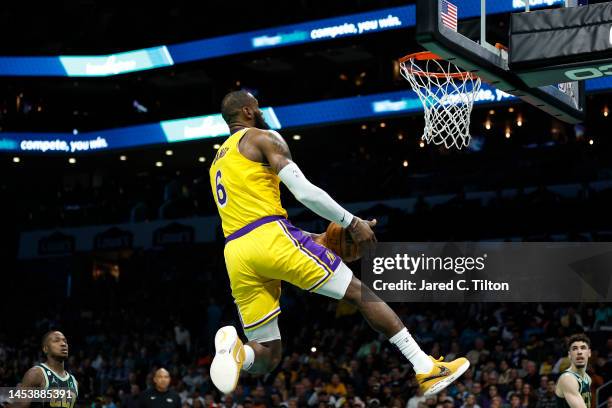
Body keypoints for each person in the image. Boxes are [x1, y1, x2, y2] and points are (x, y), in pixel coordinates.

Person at [207, 90, 469, 395]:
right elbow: (303, 193)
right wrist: (352, 222)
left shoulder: (217, 161)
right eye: (258, 107)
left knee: (268, 355)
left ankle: (240, 353)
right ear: (248, 111)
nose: (262, 111)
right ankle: (425, 368)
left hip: (236, 252)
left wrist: (315, 239)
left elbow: (254, 223)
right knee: (361, 293)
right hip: (270, 237)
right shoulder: (263, 137)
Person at [13, 331, 78, 408]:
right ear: (45, 349)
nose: (63, 344)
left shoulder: (74, 382)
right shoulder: (36, 374)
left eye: (65, 341)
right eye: (56, 341)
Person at [555, 334, 592, 408]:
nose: (579, 352)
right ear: (569, 355)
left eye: (583, 348)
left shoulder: (588, 378)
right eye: (575, 349)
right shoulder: (568, 378)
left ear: (589, 353)